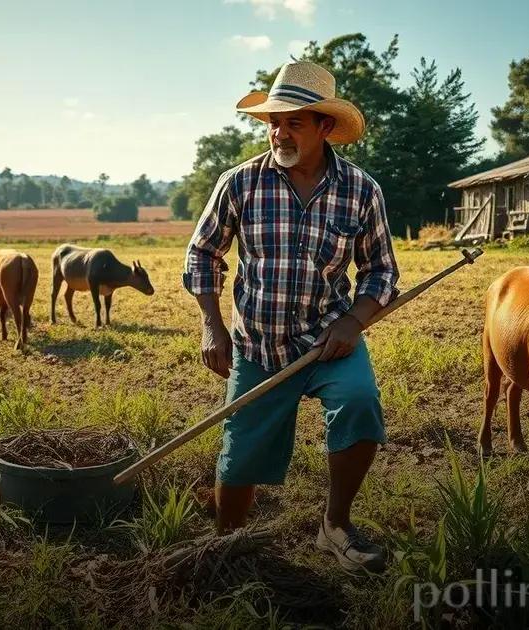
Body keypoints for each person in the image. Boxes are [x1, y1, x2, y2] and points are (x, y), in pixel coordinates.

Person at [182, 61, 400, 571]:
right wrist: (212, 326)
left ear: (325, 127)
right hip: (259, 345)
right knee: (240, 457)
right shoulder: (240, 183)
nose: (278, 132)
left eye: (293, 122)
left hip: (330, 340)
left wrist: (354, 322)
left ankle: (335, 525)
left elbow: (382, 272)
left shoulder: (361, 191)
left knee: (360, 404)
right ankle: (228, 547)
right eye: (272, 122)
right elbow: (202, 254)